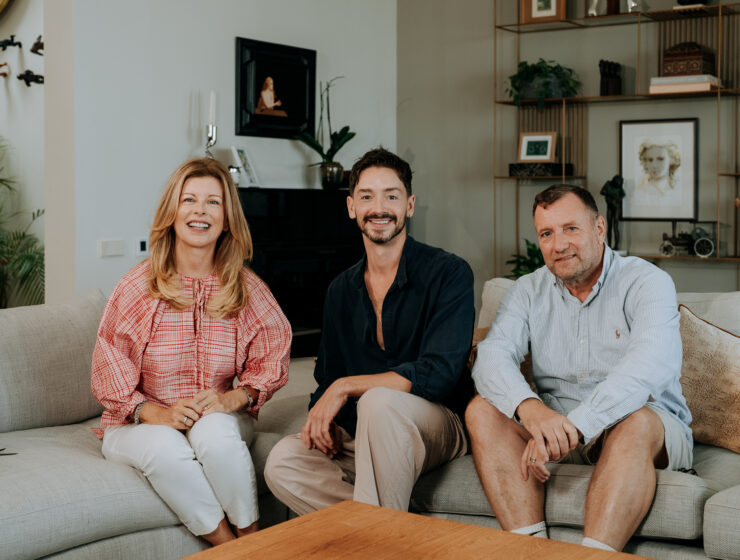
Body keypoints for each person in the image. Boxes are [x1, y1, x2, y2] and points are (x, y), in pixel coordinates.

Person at [466, 184, 692, 552]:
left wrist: (574, 425)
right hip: (557, 426)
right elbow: (492, 356)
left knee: (637, 422)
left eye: (571, 228)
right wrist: (530, 409)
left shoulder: (646, 281)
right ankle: (531, 552)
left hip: (644, 425)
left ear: (599, 228)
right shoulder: (526, 291)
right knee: (481, 411)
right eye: (546, 234)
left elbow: (648, 367)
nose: (559, 244)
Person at [91, 157, 291, 546]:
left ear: (227, 219)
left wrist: (232, 399)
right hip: (137, 424)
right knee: (164, 444)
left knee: (215, 433)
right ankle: (238, 549)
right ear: (172, 212)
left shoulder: (247, 289)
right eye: (189, 200)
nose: (200, 211)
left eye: (213, 202)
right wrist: (158, 414)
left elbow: (272, 358)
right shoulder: (137, 287)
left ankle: (252, 539)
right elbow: (108, 369)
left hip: (219, 417)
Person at [264, 147, 474, 514]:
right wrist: (327, 421)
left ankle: (377, 535)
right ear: (351, 207)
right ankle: (396, 528)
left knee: (378, 401)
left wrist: (346, 386)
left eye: (391, 196)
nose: (379, 208)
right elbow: (328, 377)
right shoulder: (340, 290)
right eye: (366, 197)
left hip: (439, 423)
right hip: (364, 430)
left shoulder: (449, 273)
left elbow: (440, 374)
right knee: (284, 461)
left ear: (409, 205)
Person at [599, 174, 624, 250]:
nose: (618, 184)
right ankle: (609, 245)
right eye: (617, 183)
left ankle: (616, 246)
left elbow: (622, 195)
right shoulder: (608, 184)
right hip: (609, 207)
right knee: (609, 226)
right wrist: (610, 195)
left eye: (619, 184)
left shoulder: (619, 187)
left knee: (615, 227)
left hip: (616, 207)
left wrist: (617, 199)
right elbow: (602, 192)